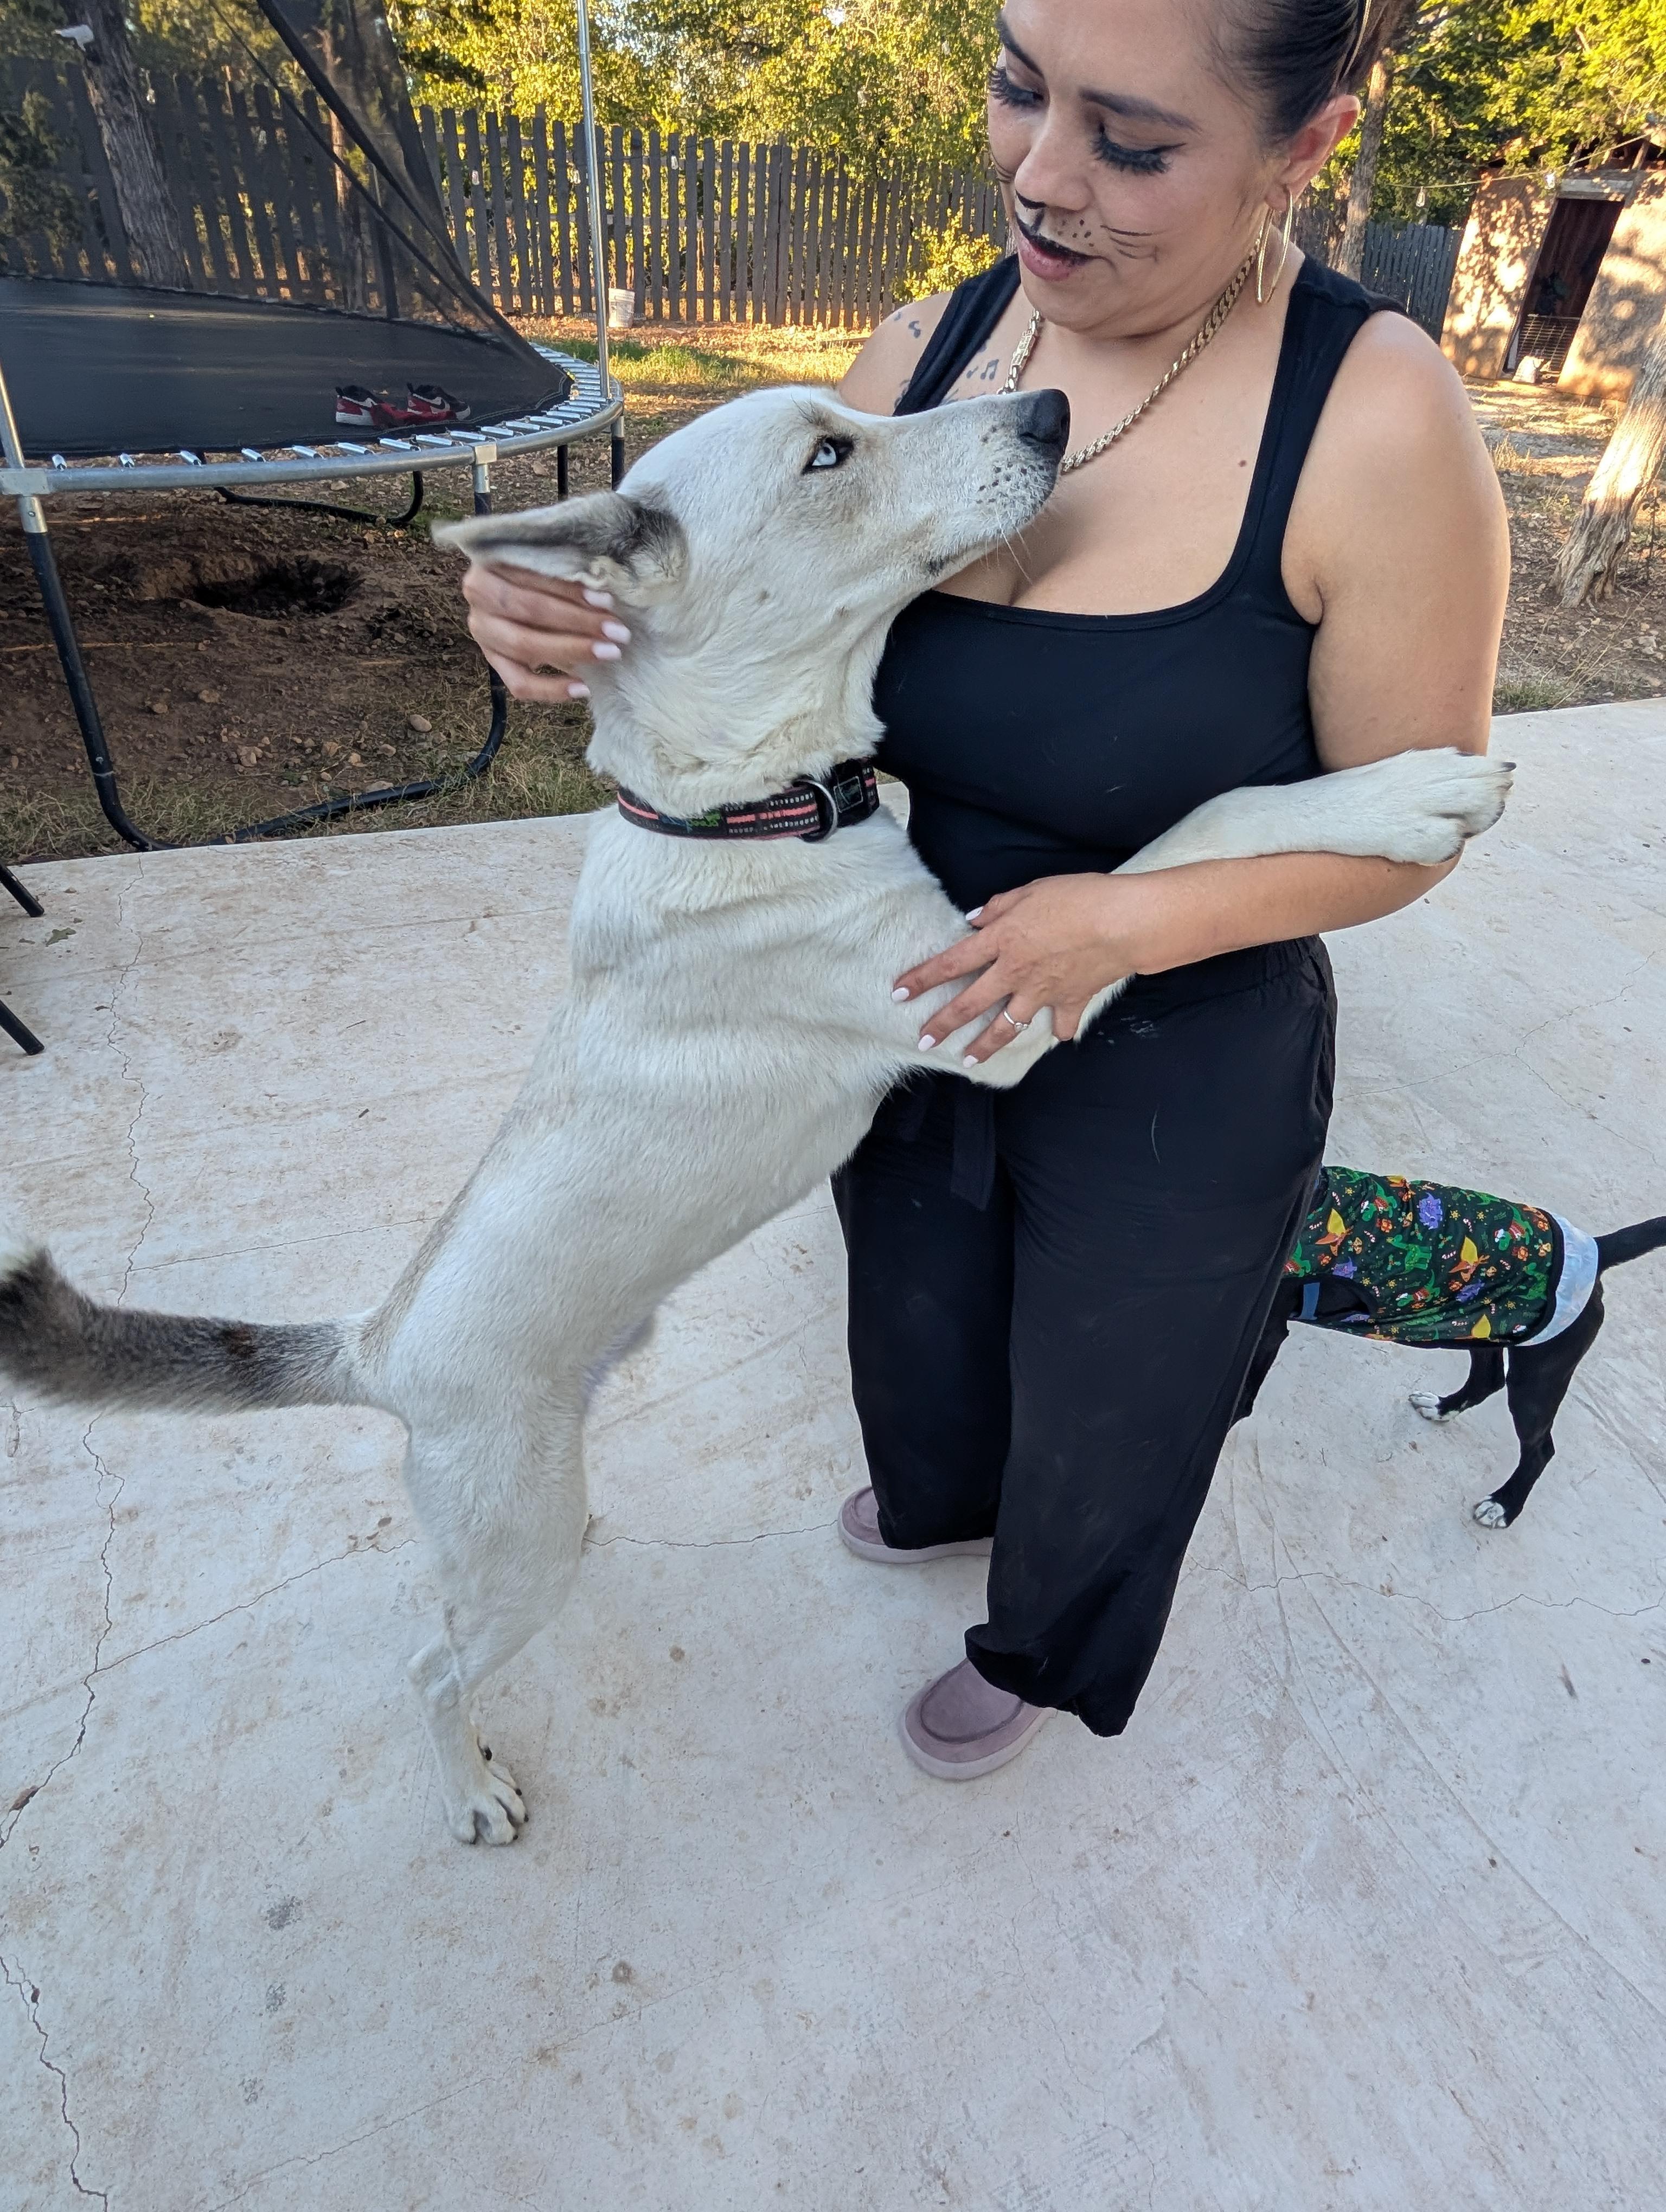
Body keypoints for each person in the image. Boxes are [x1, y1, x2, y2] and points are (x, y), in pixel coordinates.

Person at [456, 0, 1508, 1783]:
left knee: (1112, 1406)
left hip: (1171, 1035)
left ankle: (1037, 1644)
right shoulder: (923, 348)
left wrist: (1132, 918)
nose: (1038, 175)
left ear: (1303, 149)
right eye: (1022, 90)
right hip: (895, 978)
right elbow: (718, 621)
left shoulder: (1380, 420)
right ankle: (945, 1500)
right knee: (923, 1331)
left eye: (1133, 142)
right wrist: (554, 622)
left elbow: (1404, 819)